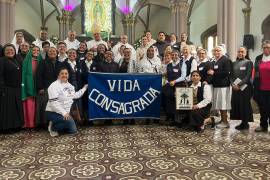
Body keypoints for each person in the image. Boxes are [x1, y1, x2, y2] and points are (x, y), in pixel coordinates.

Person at [46, 67, 88, 136]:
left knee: (73, 130)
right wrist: (64, 113)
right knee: (71, 125)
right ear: (58, 75)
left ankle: (57, 124)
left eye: (66, 73)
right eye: (62, 73)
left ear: (68, 75)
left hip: (65, 113)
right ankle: (53, 127)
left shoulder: (70, 86)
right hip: (52, 112)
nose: (64, 75)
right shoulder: (53, 86)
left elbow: (75, 95)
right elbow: (54, 103)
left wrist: (84, 88)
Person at [0, 44, 24, 132]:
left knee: (15, 109)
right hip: (7, 89)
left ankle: (16, 126)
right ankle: (7, 128)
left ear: (15, 51)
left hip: (17, 89)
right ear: (4, 52)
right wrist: (2, 89)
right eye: (7, 50)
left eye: (12, 50)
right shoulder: (2, 60)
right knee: (8, 110)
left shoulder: (17, 60)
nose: (10, 51)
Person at [36, 47, 62, 128]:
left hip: (57, 89)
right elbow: (38, 76)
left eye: (54, 51)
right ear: (47, 53)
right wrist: (40, 88)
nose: (52, 52)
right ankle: (44, 123)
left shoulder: (60, 63)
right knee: (45, 106)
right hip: (45, 88)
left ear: (57, 53)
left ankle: (54, 122)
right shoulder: (43, 62)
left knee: (56, 106)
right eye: (50, 51)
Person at [208, 45, 232, 129]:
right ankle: (222, 120)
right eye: (215, 51)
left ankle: (225, 122)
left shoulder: (226, 60)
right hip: (217, 85)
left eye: (218, 51)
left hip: (223, 86)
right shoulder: (216, 61)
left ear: (222, 51)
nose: (216, 52)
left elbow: (226, 73)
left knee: (223, 104)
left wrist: (214, 73)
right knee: (220, 103)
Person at [230, 47, 253, 130]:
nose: (240, 53)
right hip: (235, 87)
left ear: (246, 53)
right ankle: (242, 122)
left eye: (242, 52)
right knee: (238, 104)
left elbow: (248, 76)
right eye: (239, 51)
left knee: (245, 105)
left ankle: (245, 123)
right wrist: (233, 84)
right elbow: (231, 76)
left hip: (246, 87)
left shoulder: (249, 62)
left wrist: (239, 85)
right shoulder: (233, 63)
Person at [163, 49, 187, 125]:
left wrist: (175, 81)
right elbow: (167, 76)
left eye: (176, 55)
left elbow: (183, 77)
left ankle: (178, 120)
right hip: (170, 86)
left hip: (179, 86)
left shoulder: (182, 64)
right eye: (172, 55)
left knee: (178, 103)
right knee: (170, 103)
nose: (174, 56)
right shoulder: (169, 65)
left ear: (179, 55)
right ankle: (172, 119)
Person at [22, 46, 42, 129]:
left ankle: (36, 123)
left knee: (37, 106)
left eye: (38, 50)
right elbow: (23, 74)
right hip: (28, 85)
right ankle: (29, 124)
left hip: (37, 86)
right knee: (30, 105)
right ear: (31, 51)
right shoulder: (27, 60)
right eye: (34, 50)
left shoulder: (41, 61)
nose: (36, 51)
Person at [253, 40, 270, 132]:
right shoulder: (259, 58)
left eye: (268, 47)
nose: (266, 49)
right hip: (261, 87)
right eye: (264, 47)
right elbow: (255, 72)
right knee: (263, 107)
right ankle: (263, 125)